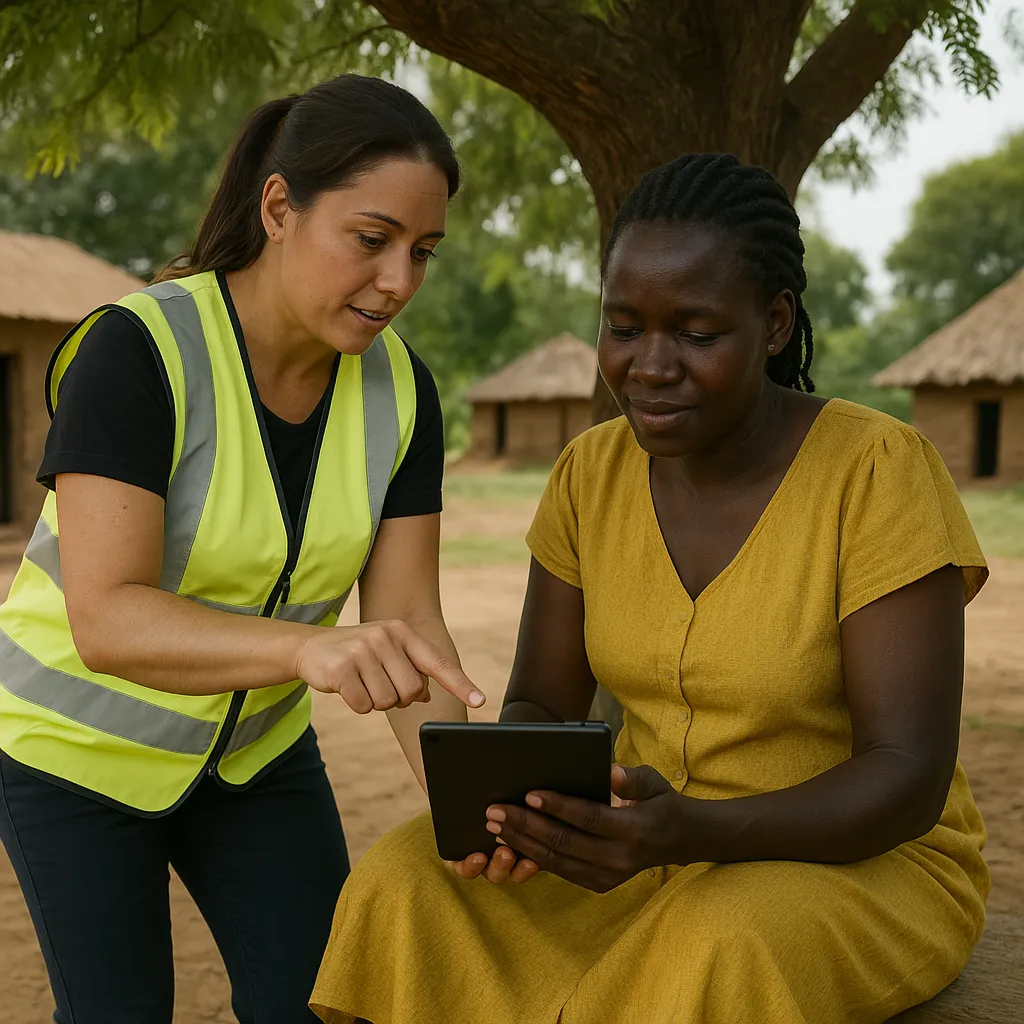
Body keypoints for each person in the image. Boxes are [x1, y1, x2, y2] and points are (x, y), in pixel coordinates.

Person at [309, 153, 990, 1024]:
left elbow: (907, 777)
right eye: (624, 328)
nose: (649, 366)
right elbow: (545, 708)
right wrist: (529, 814)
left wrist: (693, 833)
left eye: (697, 334)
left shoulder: (877, 471)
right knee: (402, 882)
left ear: (775, 324)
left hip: (856, 863)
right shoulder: (590, 472)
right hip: (639, 846)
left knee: (718, 942)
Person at [0, 74, 486, 1024]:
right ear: (278, 208)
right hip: (75, 756)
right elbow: (105, 617)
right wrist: (307, 650)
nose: (399, 283)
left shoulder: (403, 393)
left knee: (317, 1006)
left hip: (254, 760)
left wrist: (469, 805)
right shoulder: (138, 351)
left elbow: (408, 623)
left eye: (422, 253)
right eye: (372, 239)